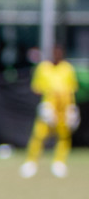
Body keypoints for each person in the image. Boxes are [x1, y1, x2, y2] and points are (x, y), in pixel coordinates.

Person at [21, 44, 77, 179]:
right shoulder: (43, 68)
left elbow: (71, 89)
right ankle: (31, 162)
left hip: (64, 106)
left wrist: (71, 109)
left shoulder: (67, 68)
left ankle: (59, 162)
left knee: (64, 135)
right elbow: (37, 88)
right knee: (39, 134)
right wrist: (44, 106)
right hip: (49, 105)